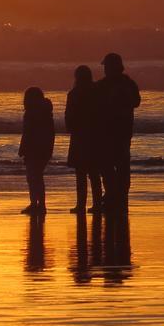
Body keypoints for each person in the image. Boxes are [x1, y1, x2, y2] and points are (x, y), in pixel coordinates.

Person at [97, 52, 141, 208]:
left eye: (107, 66)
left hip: (113, 131)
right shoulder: (128, 83)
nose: (105, 69)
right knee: (116, 165)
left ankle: (114, 196)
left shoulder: (105, 85)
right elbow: (136, 102)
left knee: (110, 165)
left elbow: (136, 102)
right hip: (120, 131)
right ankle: (117, 196)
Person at [64, 64, 105, 214]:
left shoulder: (74, 93)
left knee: (80, 173)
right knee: (94, 173)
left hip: (79, 136)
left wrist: (70, 129)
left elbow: (68, 116)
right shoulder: (97, 91)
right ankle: (97, 204)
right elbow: (102, 113)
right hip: (95, 136)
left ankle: (80, 205)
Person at [18, 86, 54, 215]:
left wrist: (22, 149)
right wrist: (50, 149)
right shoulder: (46, 112)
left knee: (33, 177)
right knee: (37, 177)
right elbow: (51, 133)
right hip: (44, 149)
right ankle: (40, 205)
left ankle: (36, 204)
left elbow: (27, 133)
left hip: (34, 149)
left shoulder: (31, 113)